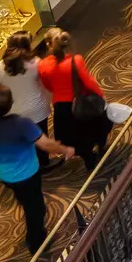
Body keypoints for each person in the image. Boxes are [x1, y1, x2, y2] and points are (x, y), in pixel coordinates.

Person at [0, 85, 73, 253]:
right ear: (11, 104)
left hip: (3, 175)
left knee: (24, 197)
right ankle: (36, 243)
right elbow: (46, 144)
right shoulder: (21, 123)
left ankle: (26, 203)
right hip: (27, 174)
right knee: (35, 208)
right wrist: (66, 150)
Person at [40, 28, 110, 167]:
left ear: (48, 44)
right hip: (80, 102)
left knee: (71, 137)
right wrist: (102, 96)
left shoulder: (43, 65)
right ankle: (99, 145)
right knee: (94, 126)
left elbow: (47, 86)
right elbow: (88, 81)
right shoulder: (75, 60)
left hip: (62, 107)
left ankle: (87, 156)